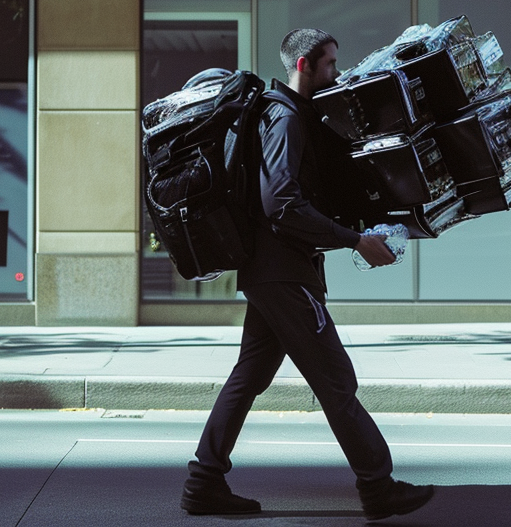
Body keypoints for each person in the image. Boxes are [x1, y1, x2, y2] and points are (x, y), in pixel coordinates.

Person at [180, 29, 434, 521]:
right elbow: (282, 203)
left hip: (273, 272)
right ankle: (378, 487)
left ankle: (204, 482)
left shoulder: (293, 116)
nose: (336, 74)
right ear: (304, 64)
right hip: (283, 275)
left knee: (249, 375)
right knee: (336, 379)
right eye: (330, 65)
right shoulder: (285, 119)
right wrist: (354, 239)